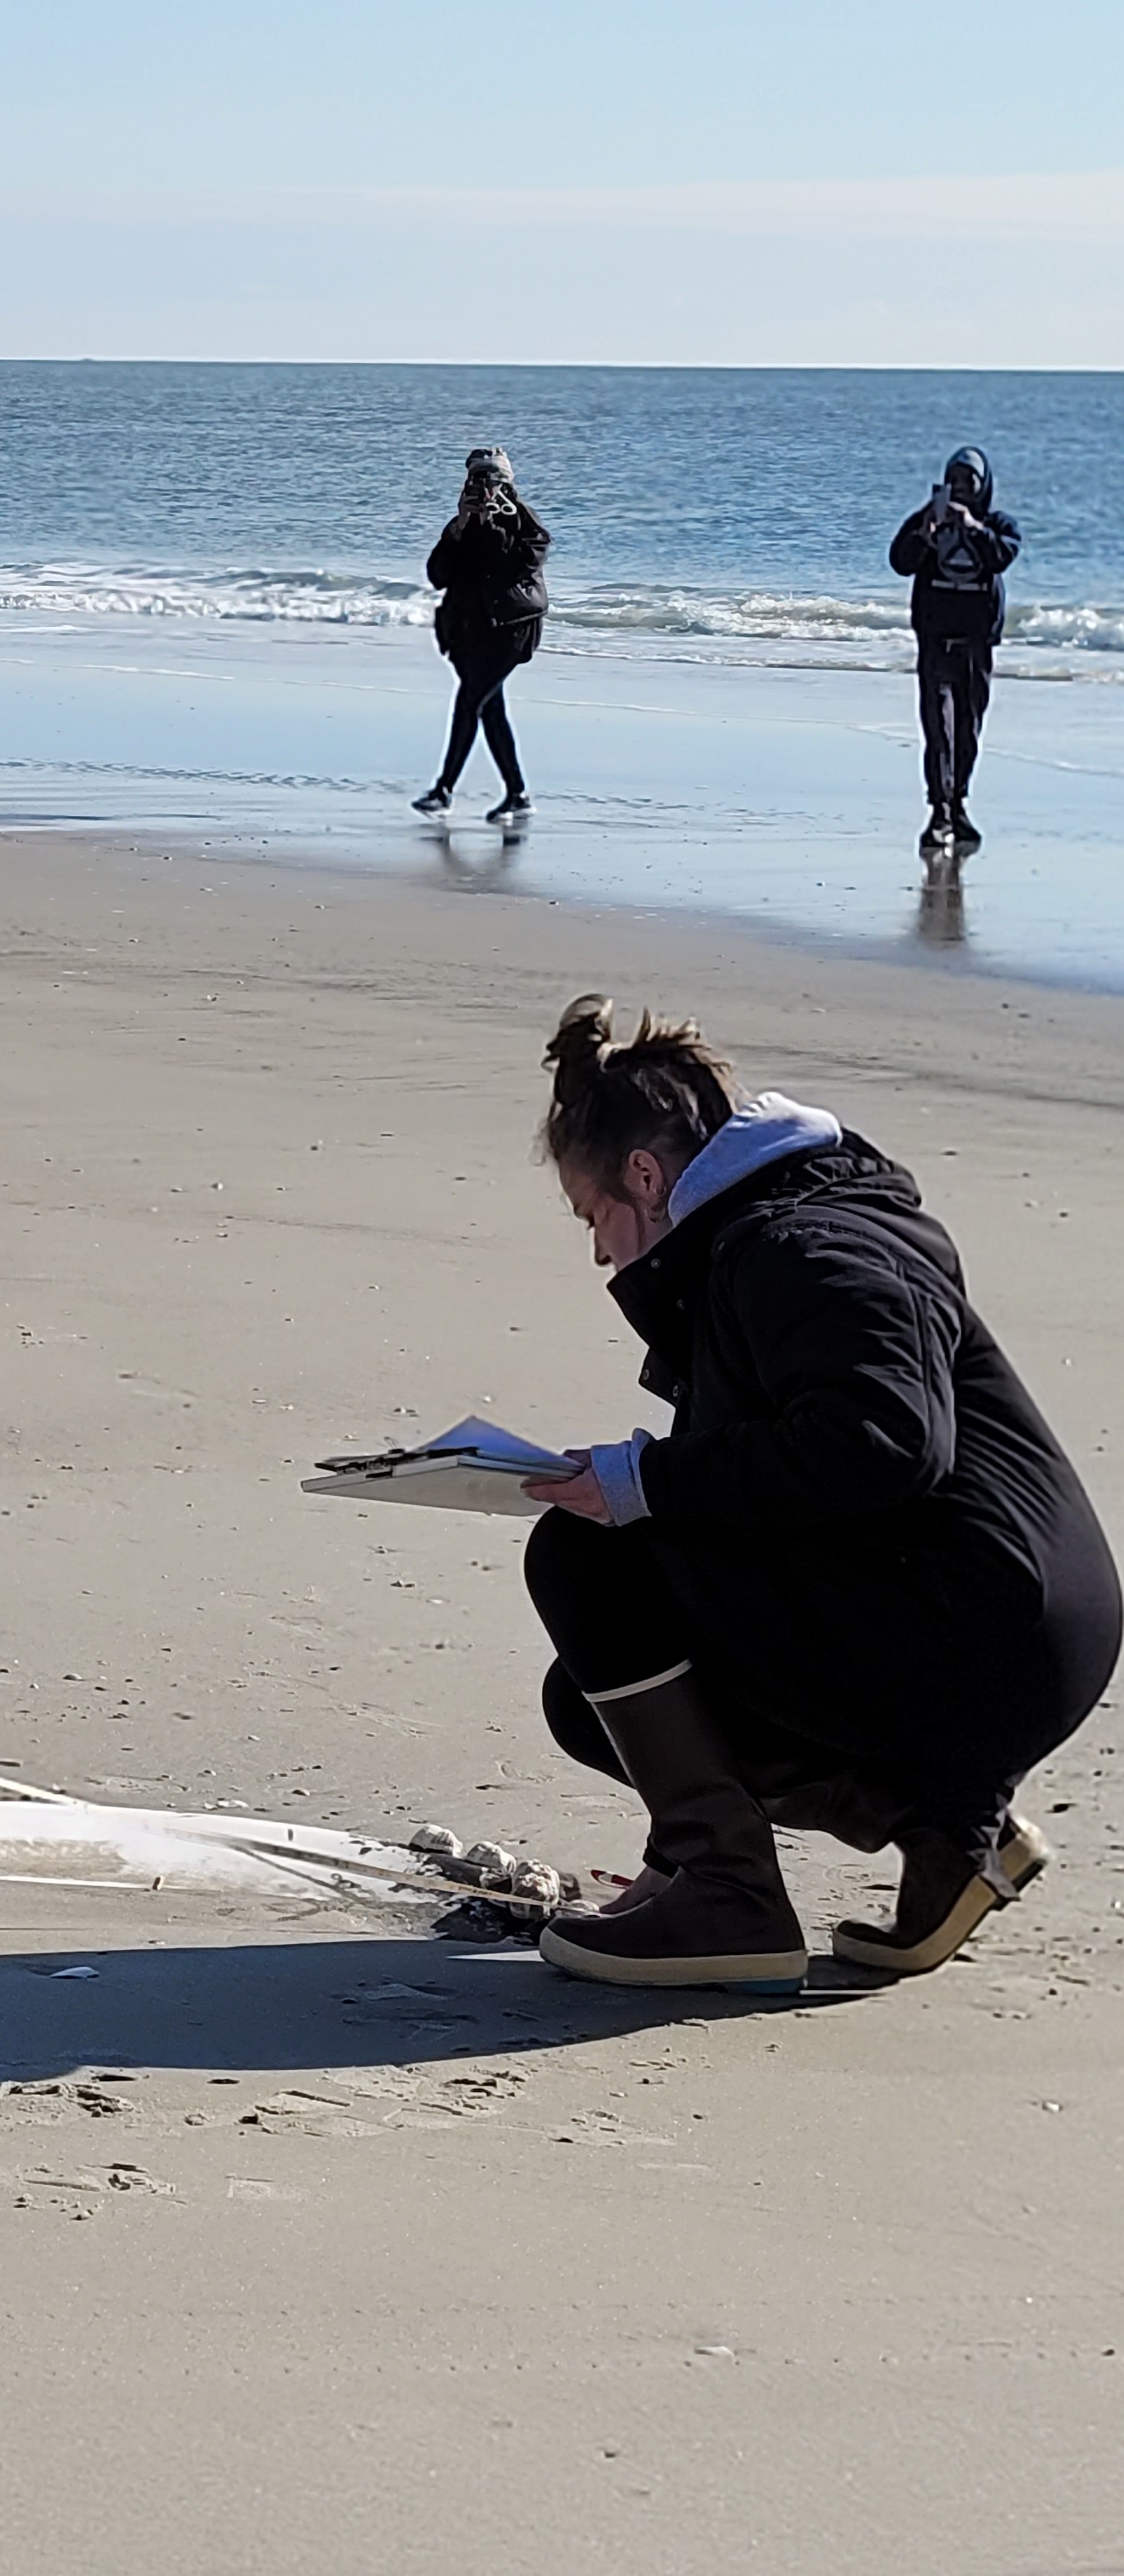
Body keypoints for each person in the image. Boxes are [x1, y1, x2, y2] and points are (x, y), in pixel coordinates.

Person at [513, 998, 1115, 1992]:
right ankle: (942, 1832)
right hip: (995, 1614)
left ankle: (731, 1898)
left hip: (991, 1621)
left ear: (647, 1176)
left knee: (587, 1559)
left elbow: (884, 1440)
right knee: (593, 1697)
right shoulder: (755, 1238)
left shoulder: (801, 1246)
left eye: (595, 1216)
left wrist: (644, 1480)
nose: (598, 1251)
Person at [887, 446, 1019, 857]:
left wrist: (972, 527)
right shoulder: (928, 519)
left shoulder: (997, 524)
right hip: (936, 642)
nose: (960, 490)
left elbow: (1002, 557)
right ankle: (938, 810)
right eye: (955, 482)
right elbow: (899, 562)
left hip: (976, 646)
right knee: (938, 730)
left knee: (967, 731)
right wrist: (924, 536)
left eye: (969, 483)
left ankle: (958, 804)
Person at [415, 448, 550, 824]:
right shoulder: (462, 523)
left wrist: (491, 522)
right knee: (490, 709)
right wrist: (459, 526)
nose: (483, 488)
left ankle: (443, 790)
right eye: (476, 480)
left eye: (491, 480)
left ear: (507, 483)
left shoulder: (525, 525)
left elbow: (516, 567)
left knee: (469, 702)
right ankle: (517, 794)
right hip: (468, 632)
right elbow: (438, 576)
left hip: (510, 632)